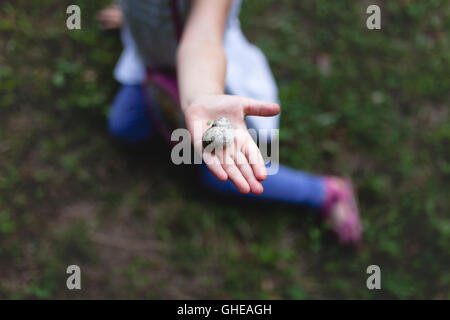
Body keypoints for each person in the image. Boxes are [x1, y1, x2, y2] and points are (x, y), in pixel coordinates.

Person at [97, 0, 362, 244]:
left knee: (219, 173)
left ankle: (325, 192)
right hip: (150, 65)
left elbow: (202, 41)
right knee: (125, 128)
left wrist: (204, 96)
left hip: (205, 79)